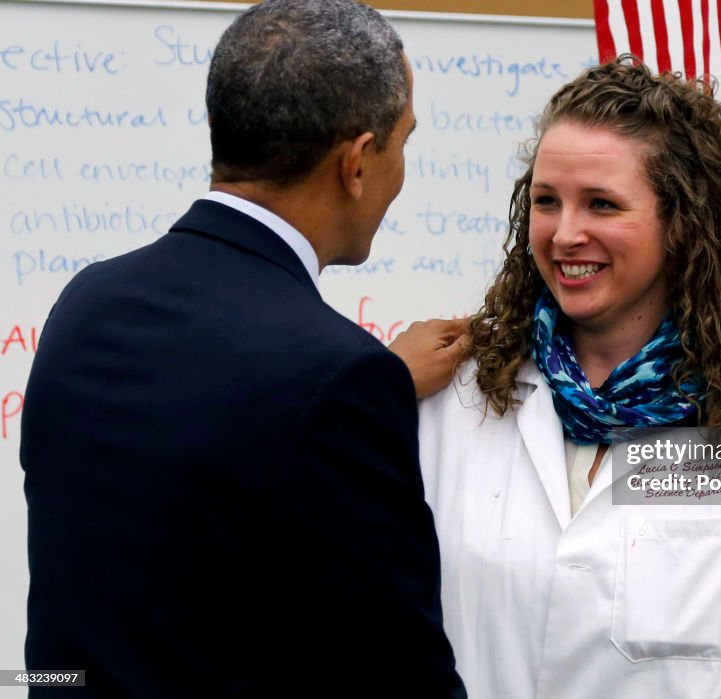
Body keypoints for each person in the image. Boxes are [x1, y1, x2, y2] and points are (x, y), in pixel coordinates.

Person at [19, 1, 465, 697]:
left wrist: (379, 385)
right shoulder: (336, 378)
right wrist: (365, 390)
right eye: (403, 142)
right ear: (355, 162)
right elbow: (399, 671)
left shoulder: (87, 303)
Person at [417, 56, 721, 698]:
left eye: (602, 203)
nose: (565, 234)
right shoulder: (458, 395)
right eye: (546, 202)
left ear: (683, 223)